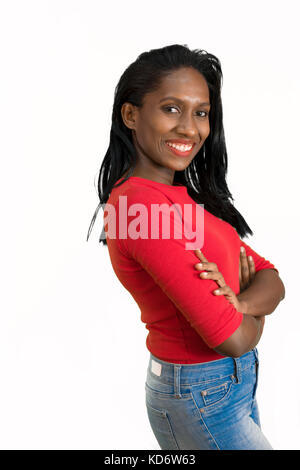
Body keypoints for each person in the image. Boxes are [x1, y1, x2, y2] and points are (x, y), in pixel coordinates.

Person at [86, 44, 285, 450]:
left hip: (228, 384)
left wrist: (243, 306)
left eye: (200, 112)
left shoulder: (182, 201)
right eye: (171, 109)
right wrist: (256, 318)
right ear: (131, 115)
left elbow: (271, 277)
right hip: (201, 392)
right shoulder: (140, 206)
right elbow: (229, 338)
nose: (190, 129)